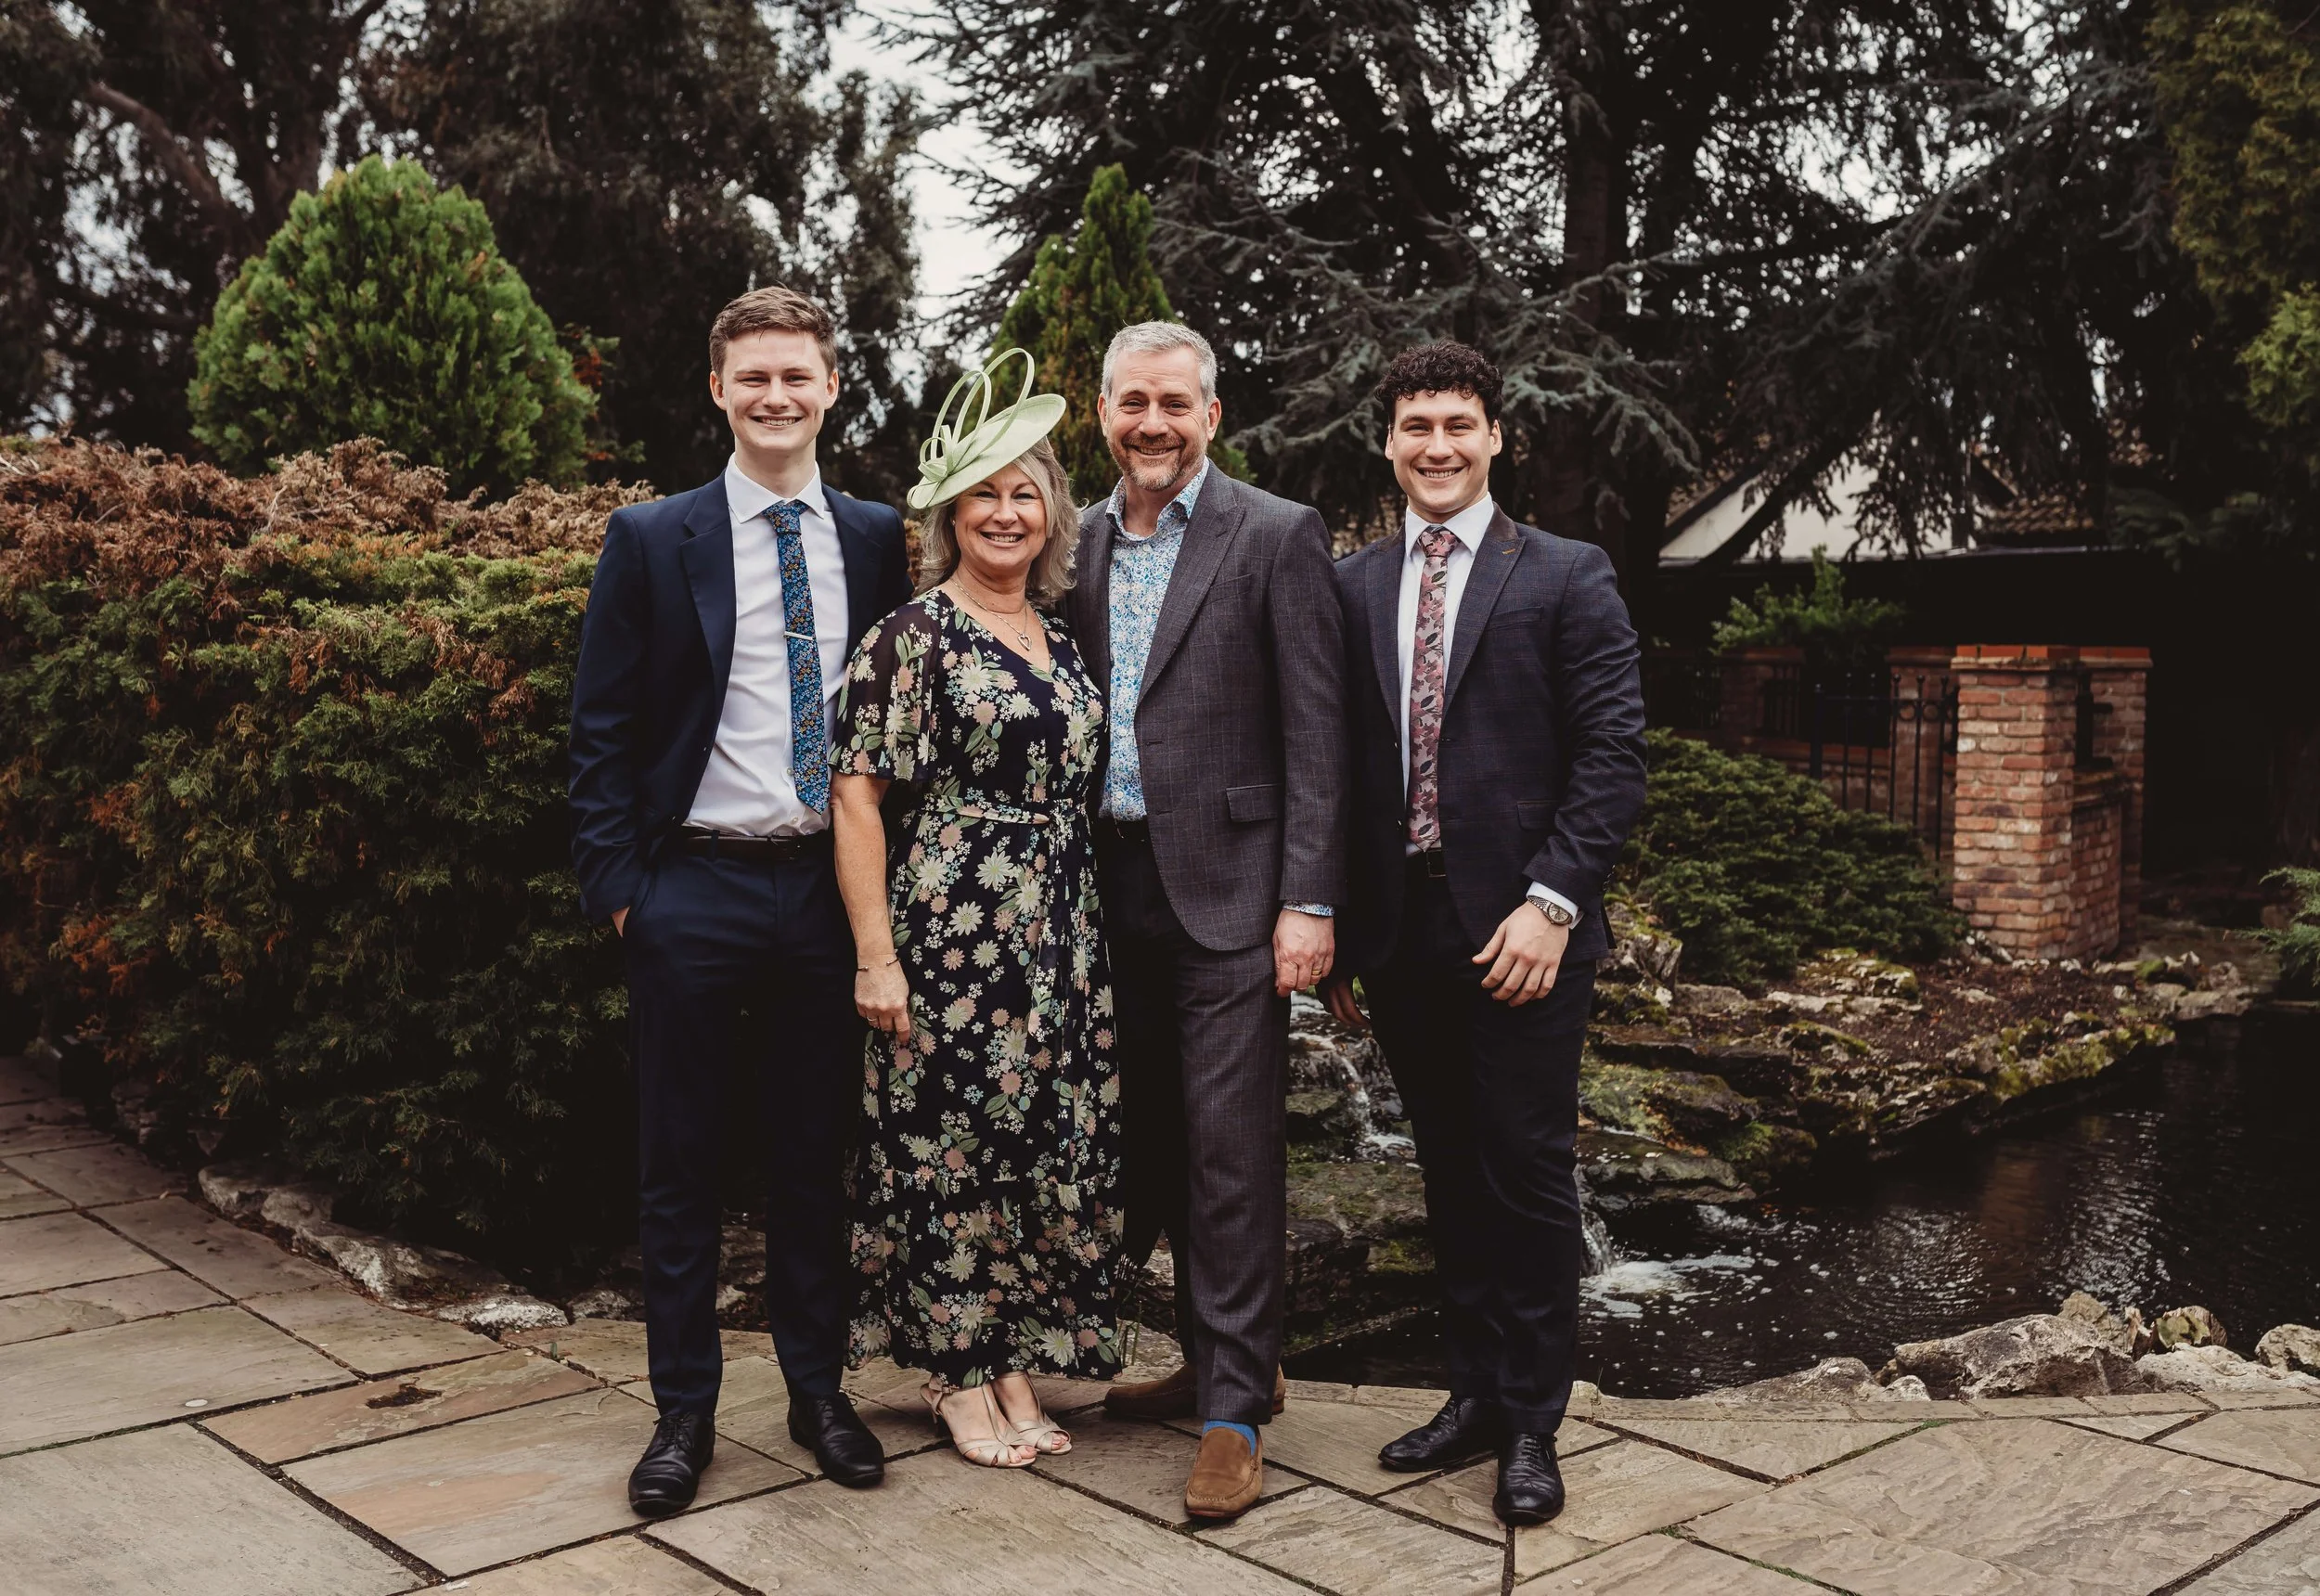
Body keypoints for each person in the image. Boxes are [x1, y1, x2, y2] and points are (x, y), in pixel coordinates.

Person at [568, 286, 910, 1514]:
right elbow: (601, 732)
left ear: (831, 388)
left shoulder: (874, 537)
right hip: (693, 890)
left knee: (817, 1161)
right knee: (681, 1167)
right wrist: (628, 898)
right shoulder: (652, 537)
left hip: (826, 892)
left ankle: (819, 1396)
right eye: (752, 376)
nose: (776, 395)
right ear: (719, 390)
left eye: (796, 375)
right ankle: (683, 1416)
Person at [1322, 341, 1646, 1527]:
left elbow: (1612, 756)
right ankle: (1468, 1396)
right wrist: (1341, 928)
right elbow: (1336, 768)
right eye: (1416, 426)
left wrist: (1553, 903)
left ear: (1495, 436)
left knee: (1525, 1174)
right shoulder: (1351, 584)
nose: (1437, 446)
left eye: (1458, 424)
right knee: (1448, 1172)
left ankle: (1530, 1425)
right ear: (1389, 442)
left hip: (1523, 935)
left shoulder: (1564, 573)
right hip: (1400, 934)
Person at [1067, 321, 1348, 1521]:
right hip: (1101, 893)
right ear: (1103, 413)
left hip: (1232, 895)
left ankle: (1234, 1416)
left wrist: (1308, 900)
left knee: (1229, 1153)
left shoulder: (1276, 533)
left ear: (1212, 416)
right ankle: (1213, 1359)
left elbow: (1318, 733)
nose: (1153, 424)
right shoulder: (1072, 539)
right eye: (1133, 402)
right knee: (1151, 1146)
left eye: (1175, 404)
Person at [831, 350, 1124, 1469]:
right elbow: (856, 795)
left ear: (1052, 516)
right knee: (944, 1148)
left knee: (1028, 1146)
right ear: (950, 516)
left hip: (1058, 935)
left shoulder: (1059, 638)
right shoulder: (910, 635)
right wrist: (876, 956)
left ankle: (1006, 1360)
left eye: (1025, 494)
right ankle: (954, 1373)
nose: (1006, 513)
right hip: (952, 929)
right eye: (984, 495)